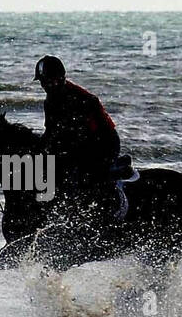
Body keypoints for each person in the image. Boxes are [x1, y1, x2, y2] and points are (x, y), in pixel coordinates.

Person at [33, 55, 126, 221]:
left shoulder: (83, 99)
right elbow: (51, 132)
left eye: (50, 81)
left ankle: (103, 211)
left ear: (61, 78)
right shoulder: (50, 101)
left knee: (83, 174)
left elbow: (88, 135)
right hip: (78, 143)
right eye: (43, 83)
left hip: (104, 143)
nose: (46, 86)